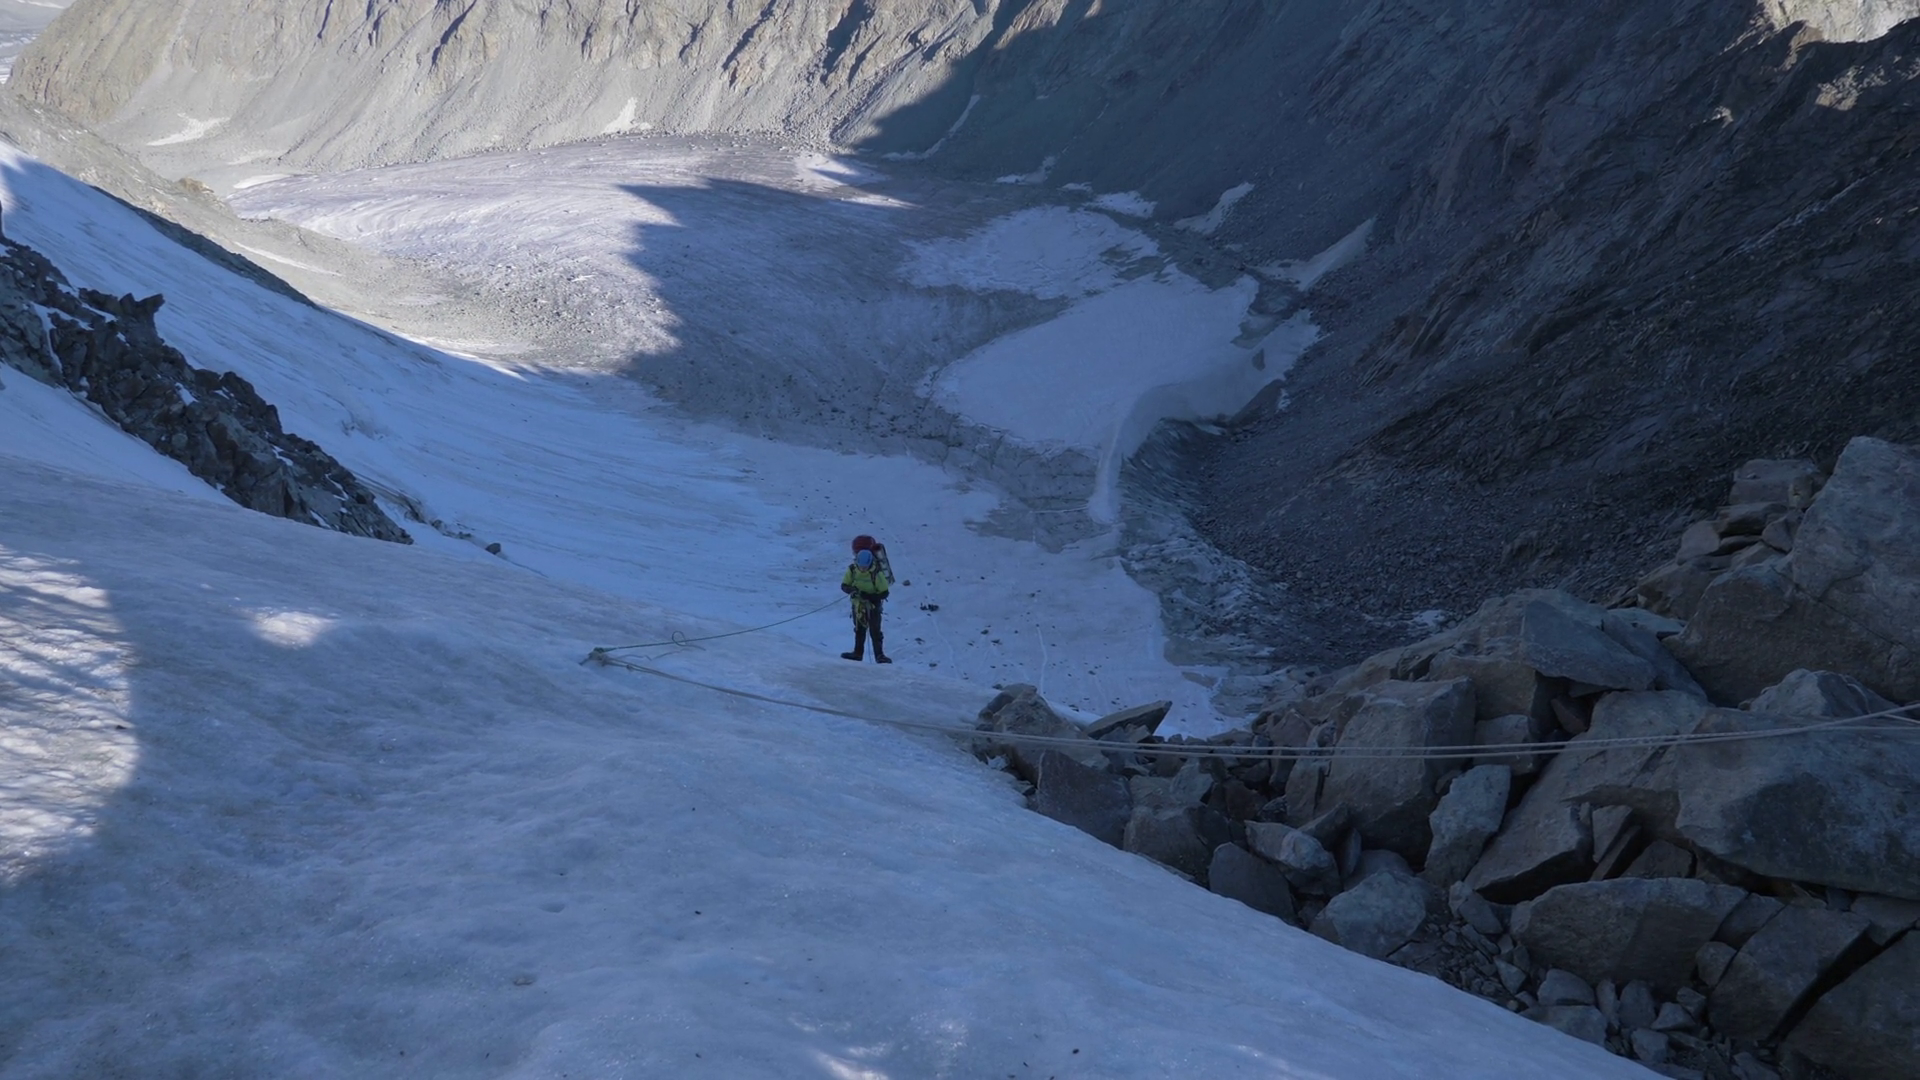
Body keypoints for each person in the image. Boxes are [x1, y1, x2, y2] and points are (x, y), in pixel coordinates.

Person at [840, 546, 892, 664]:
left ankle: (879, 655)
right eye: (861, 566)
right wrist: (852, 590)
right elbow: (844, 585)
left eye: (865, 566)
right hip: (858, 605)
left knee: (875, 630)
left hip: (873, 606)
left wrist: (869, 597)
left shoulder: (876, 573)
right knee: (859, 629)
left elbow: (884, 593)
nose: (863, 569)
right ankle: (858, 653)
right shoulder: (852, 570)